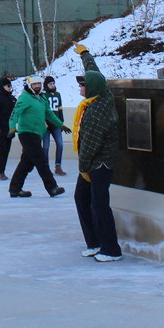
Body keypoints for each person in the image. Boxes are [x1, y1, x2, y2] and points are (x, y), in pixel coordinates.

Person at [71, 43, 122, 262]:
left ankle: (111, 249)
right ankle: (95, 243)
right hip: (94, 163)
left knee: (99, 204)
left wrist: (83, 169)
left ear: (90, 89)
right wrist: (84, 54)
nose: (80, 88)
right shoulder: (102, 94)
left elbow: (90, 144)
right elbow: (96, 73)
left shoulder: (95, 111)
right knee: (82, 199)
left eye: (83, 85)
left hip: (98, 164)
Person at [7, 74, 65, 199]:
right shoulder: (24, 98)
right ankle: (52, 188)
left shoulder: (41, 97)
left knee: (26, 163)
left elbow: (49, 113)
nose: (37, 86)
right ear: (29, 85)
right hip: (27, 133)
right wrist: (12, 127)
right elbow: (15, 113)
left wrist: (60, 125)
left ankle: (15, 189)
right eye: (34, 84)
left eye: (39, 84)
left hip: (37, 133)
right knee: (41, 161)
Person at [41, 76, 67, 176]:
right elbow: (41, 110)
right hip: (46, 125)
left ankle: (58, 166)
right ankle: (46, 167)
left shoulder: (58, 94)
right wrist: (43, 122)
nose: (52, 85)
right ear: (46, 85)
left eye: (53, 83)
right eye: (50, 84)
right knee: (46, 147)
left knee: (60, 144)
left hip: (56, 124)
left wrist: (61, 122)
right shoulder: (43, 95)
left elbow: (60, 109)